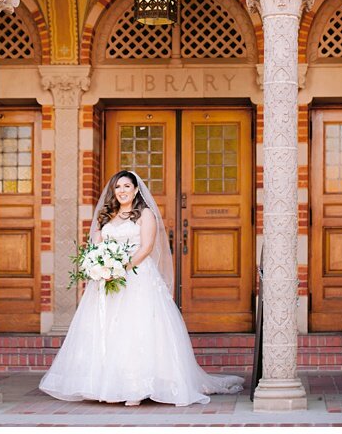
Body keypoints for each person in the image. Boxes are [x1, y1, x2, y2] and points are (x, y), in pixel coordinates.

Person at [38, 170, 245, 406]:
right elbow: (96, 246)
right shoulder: (106, 216)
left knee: (136, 328)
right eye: (118, 187)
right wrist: (100, 264)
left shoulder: (145, 214)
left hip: (137, 277)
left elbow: (146, 247)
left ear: (136, 190)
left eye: (127, 186)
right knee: (107, 330)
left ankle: (136, 388)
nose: (122, 191)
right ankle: (109, 386)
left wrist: (120, 268)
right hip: (107, 281)